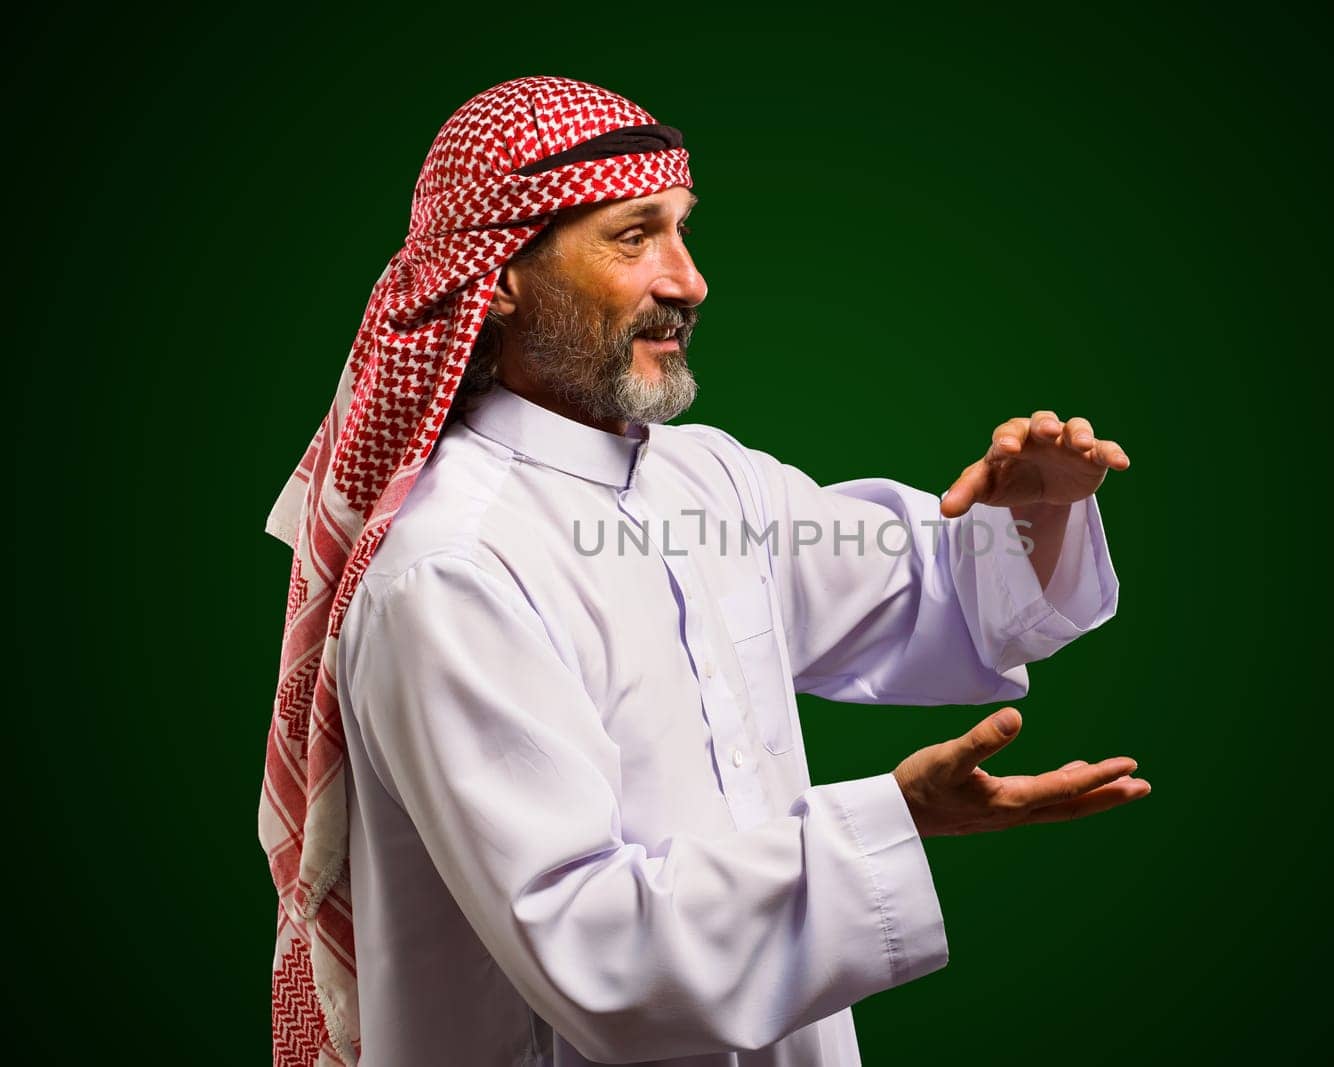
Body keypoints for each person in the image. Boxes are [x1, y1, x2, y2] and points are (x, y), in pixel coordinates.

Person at [261, 75, 1149, 1066]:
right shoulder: (453, 570)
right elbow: (591, 947)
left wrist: (1033, 506)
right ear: (499, 274)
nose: (688, 280)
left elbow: (931, 598)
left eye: (682, 230)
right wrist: (890, 820)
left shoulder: (707, 476)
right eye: (633, 235)